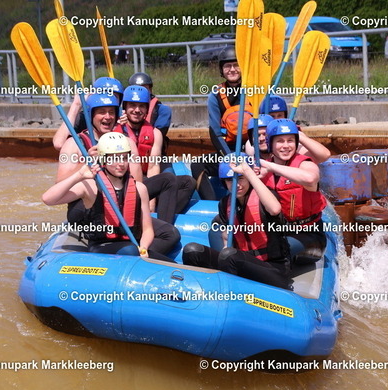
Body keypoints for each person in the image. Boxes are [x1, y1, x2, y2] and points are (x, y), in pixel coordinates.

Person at [55, 93, 179, 256]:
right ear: (91, 115)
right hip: (90, 210)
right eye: (102, 112)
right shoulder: (74, 144)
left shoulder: (127, 143)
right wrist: (85, 164)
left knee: (170, 234)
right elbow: (60, 185)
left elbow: (136, 184)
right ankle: (114, 248)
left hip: (120, 206)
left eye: (111, 112)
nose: (107, 117)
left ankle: (136, 256)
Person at [183, 157, 292, 290]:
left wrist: (248, 171)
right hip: (241, 263)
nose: (237, 185)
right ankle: (197, 291)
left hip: (273, 269)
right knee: (192, 250)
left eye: (241, 178)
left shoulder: (265, 198)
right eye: (230, 180)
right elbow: (226, 239)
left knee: (230, 255)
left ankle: (229, 295)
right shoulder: (225, 204)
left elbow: (275, 209)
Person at [42, 132, 153, 257]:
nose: (121, 163)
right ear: (103, 159)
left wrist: (143, 248)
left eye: (124, 158)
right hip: (101, 246)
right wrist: (79, 175)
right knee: (130, 250)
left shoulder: (140, 188)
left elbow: (147, 229)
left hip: (132, 246)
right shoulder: (91, 187)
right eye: (114, 158)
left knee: (145, 253)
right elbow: (48, 199)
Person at [114, 85, 195, 224]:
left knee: (188, 182)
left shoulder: (155, 133)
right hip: (123, 184)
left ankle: (161, 219)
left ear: (147, 109)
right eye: (132, 105)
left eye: (141, 106)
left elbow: (153, 167)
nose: (137, 110)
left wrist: (150, 203)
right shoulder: (116, 131)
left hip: (145, 182)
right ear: (125, 107)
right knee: (167, 179)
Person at [258, 119, 328, 263]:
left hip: (310, 236)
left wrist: (270, 167)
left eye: (290, 140)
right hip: (278, 232)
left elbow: (310, 179)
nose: (286, 146)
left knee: (276, 249)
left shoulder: (305, 164)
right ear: (270, 144)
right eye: (280, 141)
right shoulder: (263, 169)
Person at [192, 47, 251, 200]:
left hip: (252, 150)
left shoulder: (255, 91)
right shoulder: (215, 95)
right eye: (227, 66)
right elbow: (215, 132)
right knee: (197, 165)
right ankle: (213, 205)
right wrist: (229, 157)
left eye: (236, 65)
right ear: (221, 70)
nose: (232, 69)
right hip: (228, 150)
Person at [52, 77, 124, 150]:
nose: (108, 99)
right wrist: (76, 105)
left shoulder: (124, 118)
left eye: (114, 96)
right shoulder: (83, 117)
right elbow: (59, 144)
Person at [127, 72, 172, 142]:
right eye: (135, 89)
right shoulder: (123, 109)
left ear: (150, 90)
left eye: (144, 89)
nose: (140, 93)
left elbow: (158, 136)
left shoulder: (163, 110)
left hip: (151, 145)